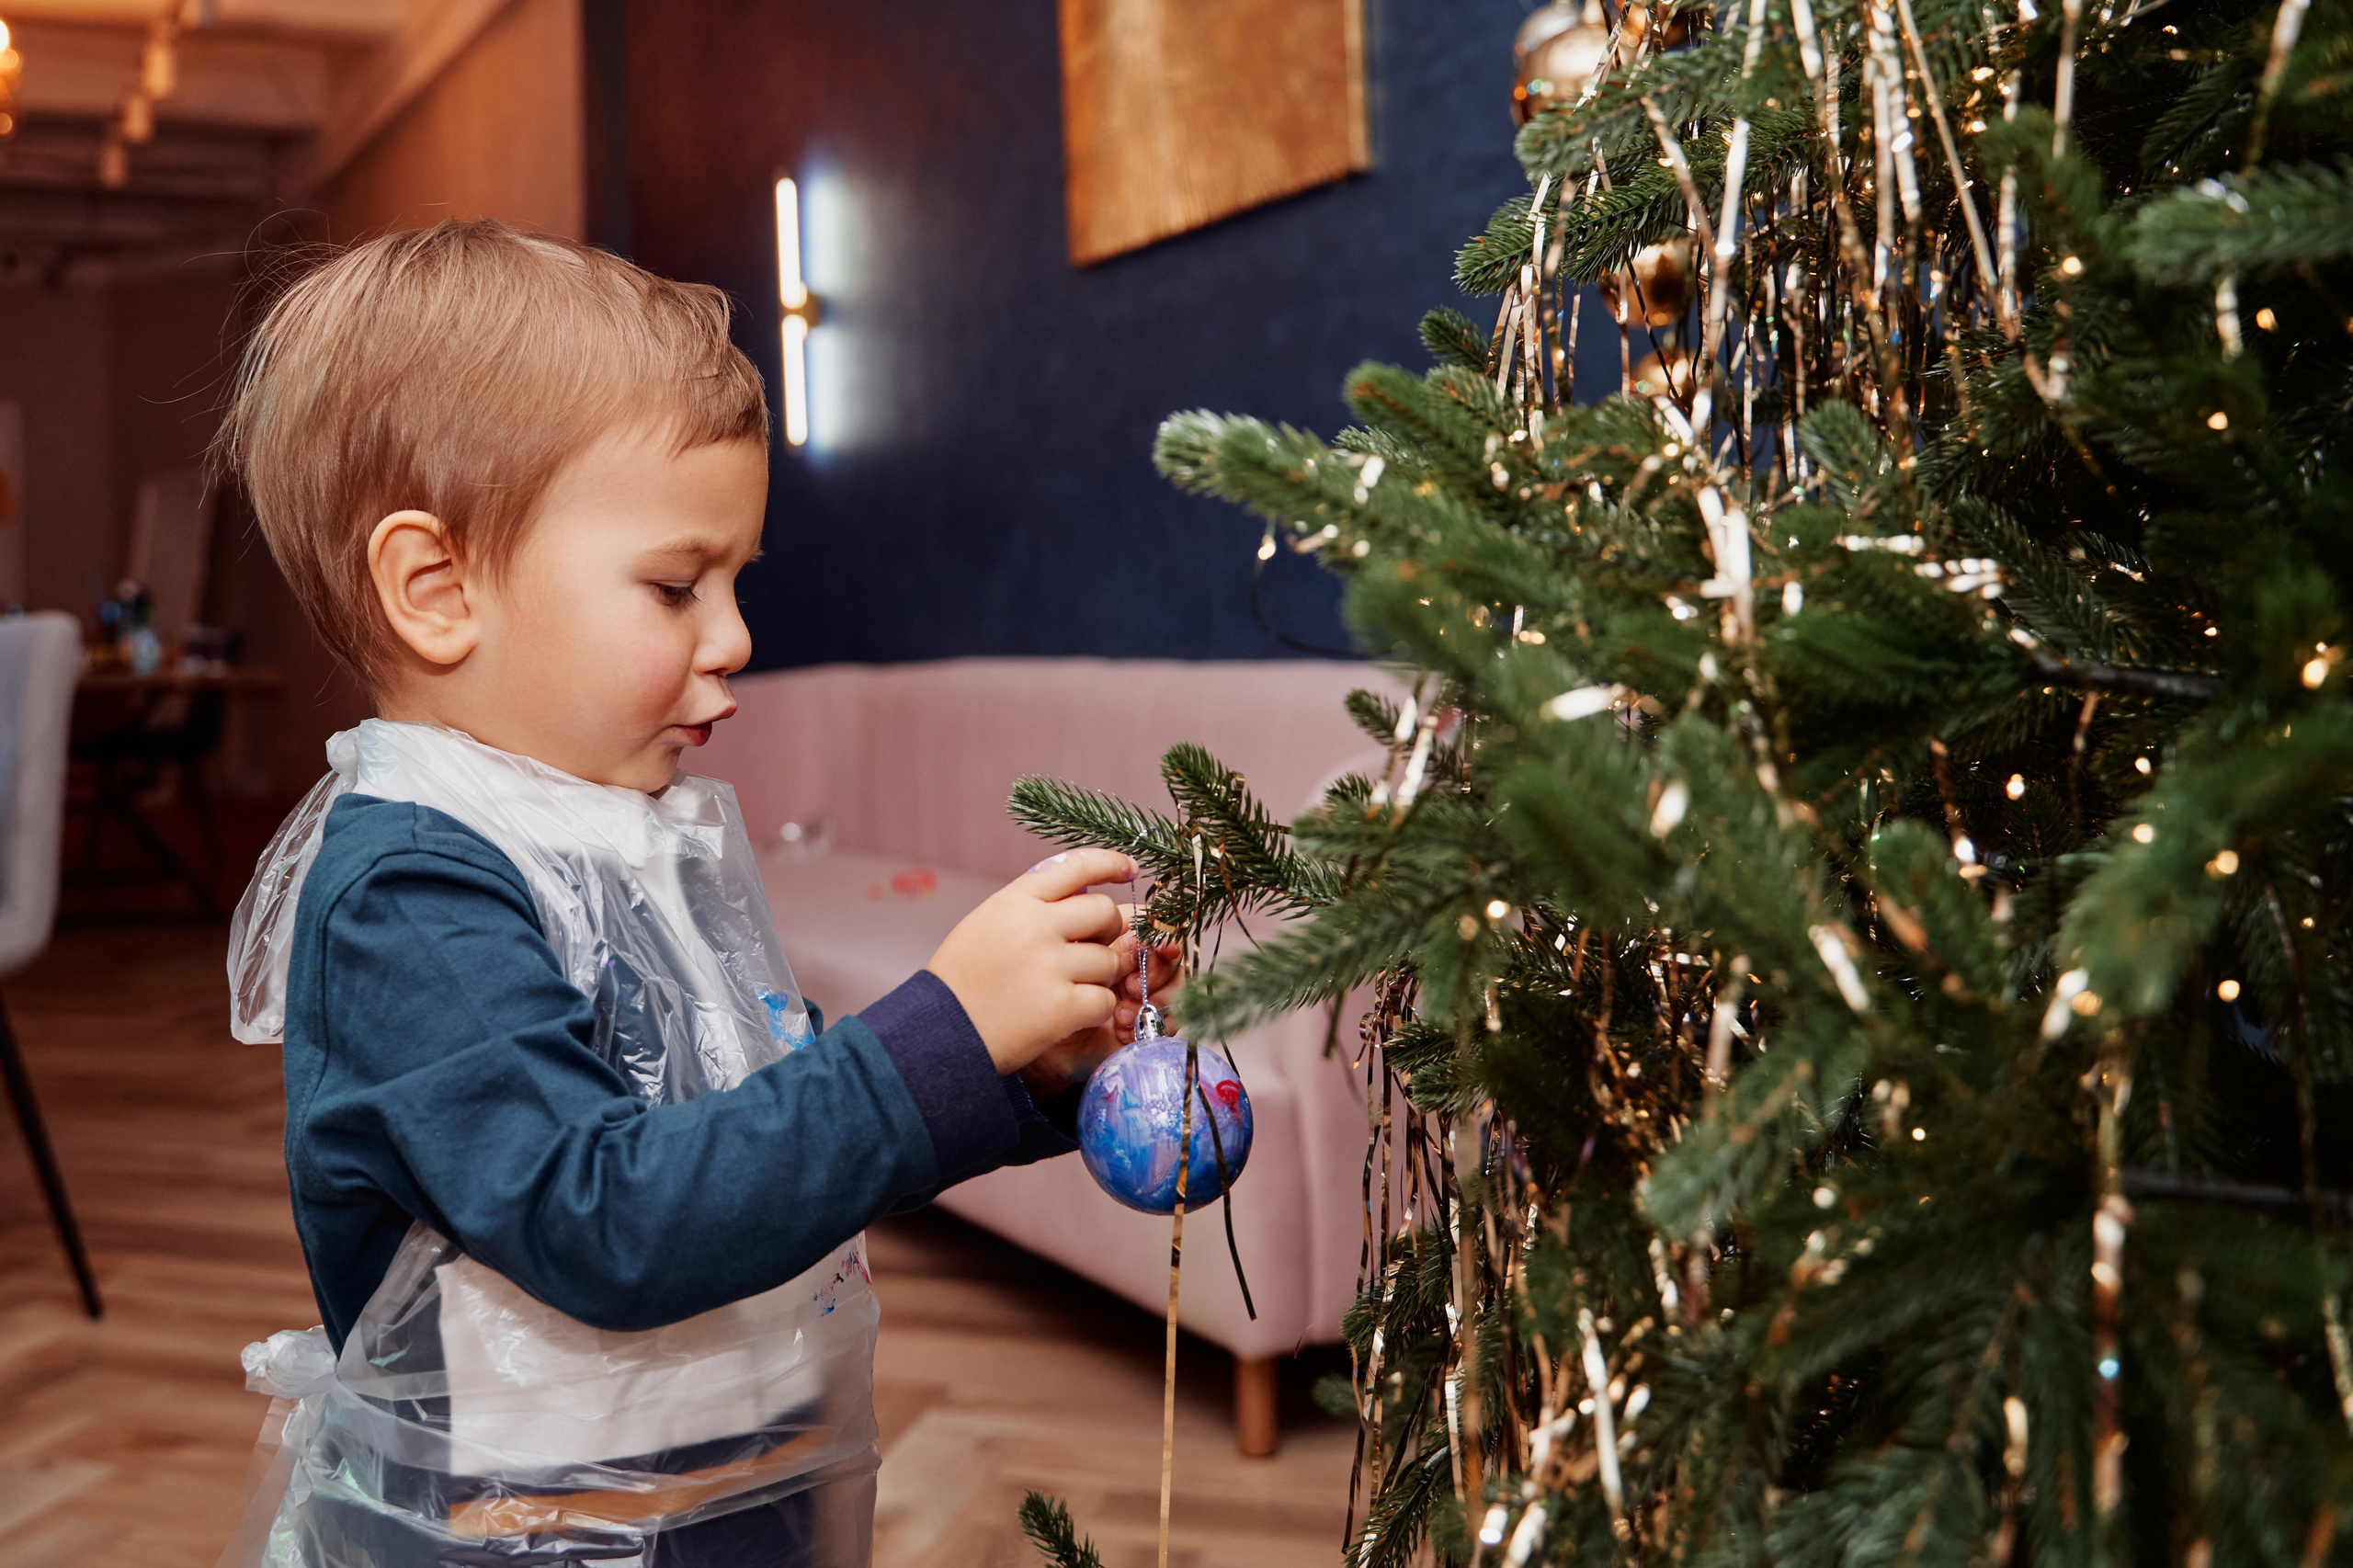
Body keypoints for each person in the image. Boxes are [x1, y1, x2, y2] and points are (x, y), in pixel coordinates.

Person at [214, 219, 1163, 1566]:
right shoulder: (408, 894)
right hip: (517, 1534)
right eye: (676, 585)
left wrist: (1022, 1067)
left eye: (735, 580)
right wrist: (941, 1024)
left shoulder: (627, 831)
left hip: (722, 1490)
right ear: (435, 589)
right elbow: (612, 1215)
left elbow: (740, 1122)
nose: (736, 639)